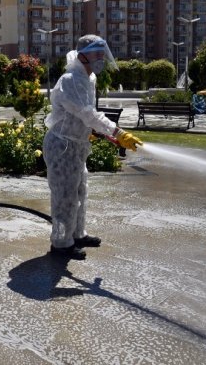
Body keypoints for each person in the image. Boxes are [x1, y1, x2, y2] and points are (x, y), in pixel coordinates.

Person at [43, 35, 143, 260]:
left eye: (102, 53)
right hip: (62, 146)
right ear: (82, 55)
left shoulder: (90, 79)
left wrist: (95, 132)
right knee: (64, 197)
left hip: (77, 145)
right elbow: (87, 113)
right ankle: (60, 244)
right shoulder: (70, 79)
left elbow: (82, 115)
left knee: (80, 192)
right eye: (96, 53)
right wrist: (116, 131)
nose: (101, 58)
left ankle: (77, 235)